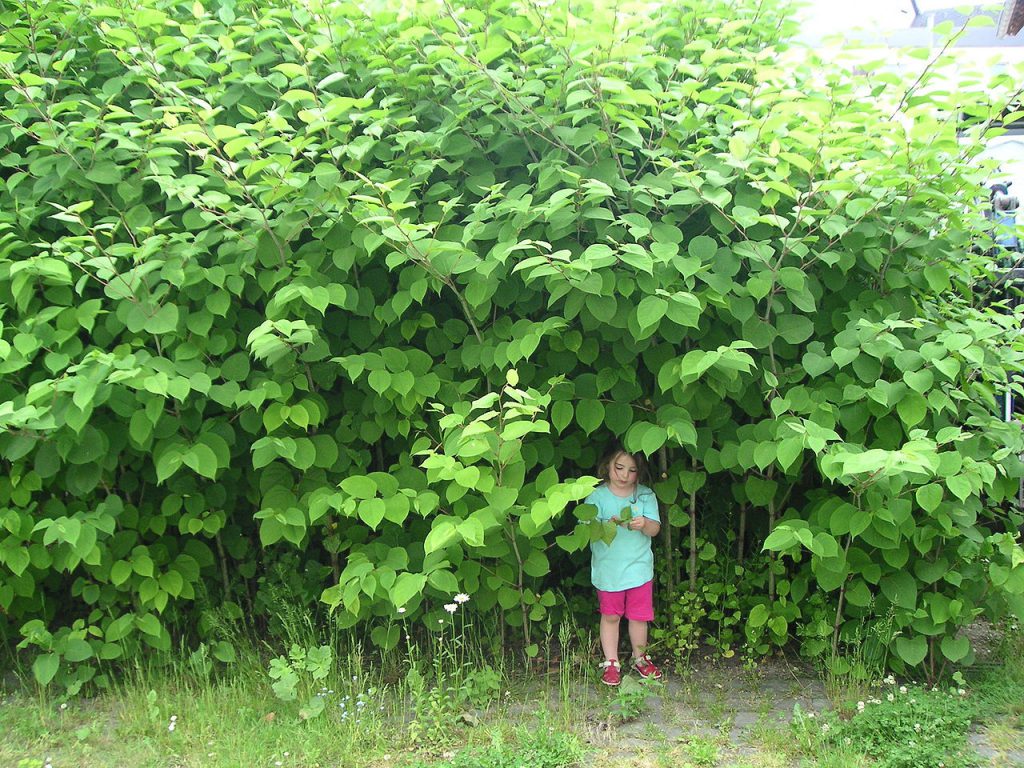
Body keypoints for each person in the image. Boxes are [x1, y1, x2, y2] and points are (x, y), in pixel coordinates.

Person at [585, 444, 662, 686]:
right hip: (608, 571)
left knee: (639, 617)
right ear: (607, 466)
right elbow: (586, 530)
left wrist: (644, 524)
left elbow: (655, 529)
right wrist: (605, 524)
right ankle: (611, 662)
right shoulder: (596, 496)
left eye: (632, 470)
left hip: (639, 569)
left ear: (639, 473)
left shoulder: (645, 495)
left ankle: (640, 658)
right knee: (610, 616)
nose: (624, 475)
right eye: (619, 467)